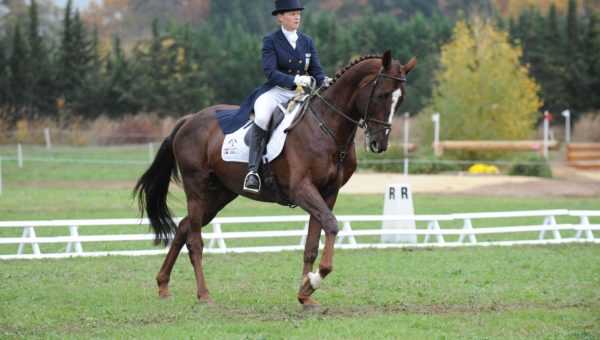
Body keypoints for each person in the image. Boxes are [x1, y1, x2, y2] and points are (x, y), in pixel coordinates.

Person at [242, 0, 331, 194]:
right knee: (263, 116)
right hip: (277, 91)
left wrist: (325, 80)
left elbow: (316, 70)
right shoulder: (271, 41)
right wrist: (295, 79)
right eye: (291, 14)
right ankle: (252, 171)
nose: (297, 17)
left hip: (302, 93)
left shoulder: (307, 41)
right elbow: (270, 72)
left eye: (298, 13)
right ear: (280, 17)